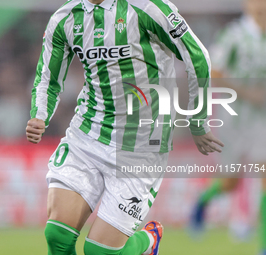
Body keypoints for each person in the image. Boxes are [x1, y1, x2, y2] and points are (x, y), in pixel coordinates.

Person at [26, 0, 223, 254]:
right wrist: (39, 115)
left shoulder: (148, 8)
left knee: (99, 252)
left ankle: (148, 241)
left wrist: (197, 121)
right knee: (57, 236)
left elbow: (198, 56)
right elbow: (47, 78)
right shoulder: (64, 19)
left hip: (140, 145)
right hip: (87, 135)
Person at [190, 0, 266, 253]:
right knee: (229, 183)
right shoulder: (233, 36)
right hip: (233, 120)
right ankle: (202, 202)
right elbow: (216, 73)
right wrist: (247, 93)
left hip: (261, 121)